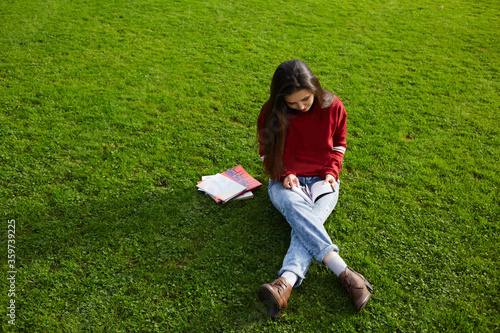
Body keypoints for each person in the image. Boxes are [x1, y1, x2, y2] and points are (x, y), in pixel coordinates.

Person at [257, 59, 373, 319]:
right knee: (298, 211)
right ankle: (346, 273)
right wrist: (283, 174)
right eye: (292, 103)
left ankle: (284, 283)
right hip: (286, 182)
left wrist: (332, 172)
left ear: (315, 89)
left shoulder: (333, 107)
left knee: (305, 223)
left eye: (306, 100)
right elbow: (266, 152)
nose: (300, 107)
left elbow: (339, 145)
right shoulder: (271, 113)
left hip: (324, 180)